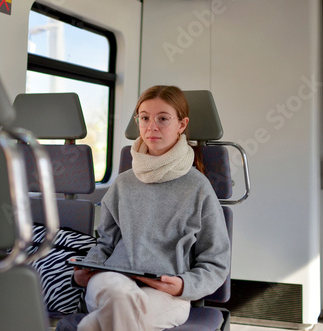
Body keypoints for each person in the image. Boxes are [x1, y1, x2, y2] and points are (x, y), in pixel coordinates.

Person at [72, 85, 230, 331]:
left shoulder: (198, 187)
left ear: (181, 124)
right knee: (120, 298)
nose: (151, 126)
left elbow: (216, 261)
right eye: (144, 118)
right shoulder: (124, 182)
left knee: (102, 321)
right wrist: (85, 270)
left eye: (163, 119)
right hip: (112, 279)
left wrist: (183, 286)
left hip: (169, 293)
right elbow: (105, 244)